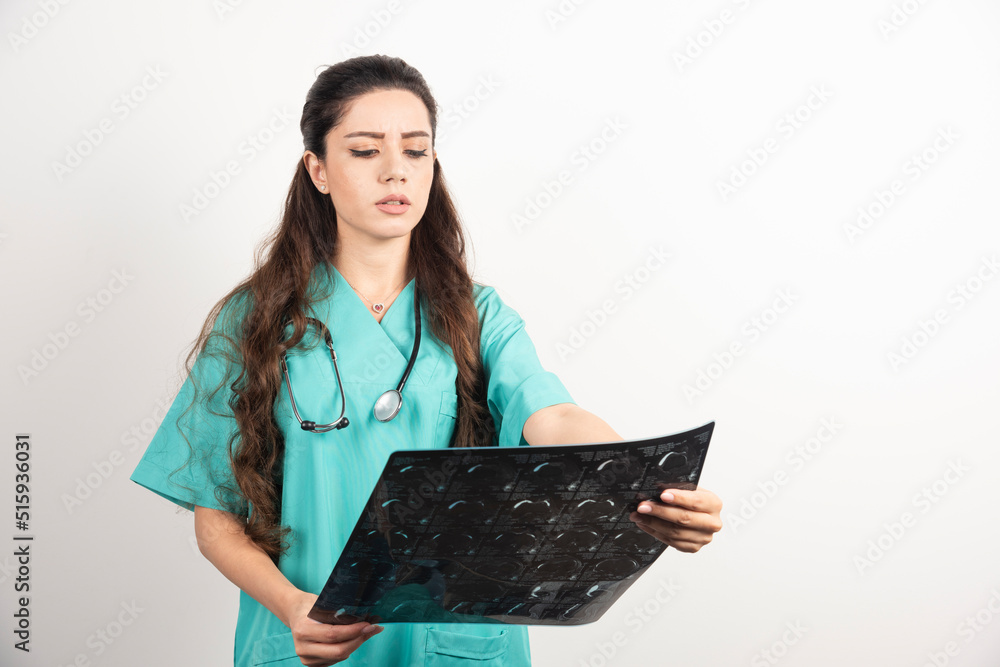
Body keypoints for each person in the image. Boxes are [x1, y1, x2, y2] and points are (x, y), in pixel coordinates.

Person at [130, 54, 722, 667]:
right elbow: (216, 516)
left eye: (416, 151)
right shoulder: (254, 321)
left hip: (457, 645)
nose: (396, 172)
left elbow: (553, 416)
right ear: (319, 169)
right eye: (364, 151)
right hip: (310, 638)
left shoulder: (477, 314)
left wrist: (642, 485)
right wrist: (289, 605)